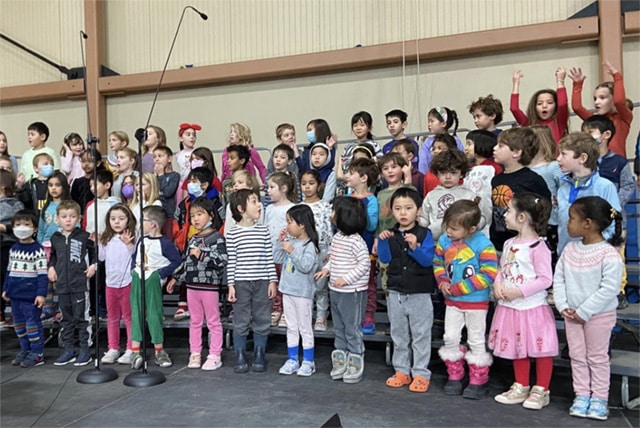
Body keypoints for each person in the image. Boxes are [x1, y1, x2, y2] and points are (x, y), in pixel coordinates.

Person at [553, 197, 624, 420]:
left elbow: (609, 289)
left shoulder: (609, 254)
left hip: (598, 317)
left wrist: (584, 311)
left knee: (597, 357)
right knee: (577, 356)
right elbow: (559, 279)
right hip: (571, 315)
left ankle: (599, 398)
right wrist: (564, 306)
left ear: (588, 223)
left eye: (572, 218)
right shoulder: (570, 250)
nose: (567, 223)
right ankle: (582, 394)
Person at [489, 193, 558, 410]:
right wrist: (498, 284)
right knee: (518, 346)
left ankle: (541, 389)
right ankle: (521, 385)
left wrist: (519, 291)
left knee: (540, 349)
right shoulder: (509, 243)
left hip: (531, 308)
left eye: (509, 210)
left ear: (522, 218)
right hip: (510, 307)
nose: (505, 214)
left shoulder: (539, 247)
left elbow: (546, 279)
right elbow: (502, 268)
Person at [433, 199, 498, 399]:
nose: (449, 232)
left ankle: (479, 378)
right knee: (450, 336)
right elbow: (438, 262)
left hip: (476, 303)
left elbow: (488, 274)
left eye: (453, 229)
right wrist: (442, 280)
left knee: (475, 338)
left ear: (470, 229)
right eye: (447, 227)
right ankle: (455, 372)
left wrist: (460, 287)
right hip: (452, 301)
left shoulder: (483, 245)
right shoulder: (444, 241)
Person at [378, 187, 435, 393]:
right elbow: (384, 259)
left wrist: (415, 248)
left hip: (419, 292)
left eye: (408, 208)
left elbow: (428, 261)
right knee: (399, 334)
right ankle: (402, 370)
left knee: (420, 334)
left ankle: (420, 373)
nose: (403, 213)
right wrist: (383, 242)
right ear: (392, 211)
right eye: (398, 208)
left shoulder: (424, 234)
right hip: (396, 292)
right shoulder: (391, 233)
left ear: (418, 211)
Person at [315, 197, 370, 384]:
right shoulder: (338, 237)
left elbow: (364, 265)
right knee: (338, 326)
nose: (331, 216)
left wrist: (346, 279)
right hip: (335, 290)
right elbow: (335, 258)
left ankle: (355, 357)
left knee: (352, 327)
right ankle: (341, 357)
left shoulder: (357, 242)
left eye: (334, 212)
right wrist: (327, 269)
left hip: (352, 292)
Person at [167, 197, 227, 371]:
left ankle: (215, 354)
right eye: (192, 215)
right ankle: (195, 352)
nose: (195, 219)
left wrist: (202, 255)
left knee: (213, 321)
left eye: (200, 214)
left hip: (209, 287)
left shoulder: (217, 237)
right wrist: (176, 278)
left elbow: (222, 261)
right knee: (195, 321)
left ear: (211, 215)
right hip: (192, 287)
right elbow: (186, 262)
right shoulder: (192, 238)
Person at [226, 189, 278, 373]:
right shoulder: (232, 234)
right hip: (241, 282)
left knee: (262, 317)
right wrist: (231, 285)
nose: (259, 205)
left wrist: (272, 280)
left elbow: (268, 257)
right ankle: (239, 354)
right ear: (241, 208)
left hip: (262, 281)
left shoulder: (263, 231)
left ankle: (259, 353)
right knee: (241, 318)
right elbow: (232, 260)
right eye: (254, 201)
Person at [129, 205, 181, 369]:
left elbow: (177, 261)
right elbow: (135, 256)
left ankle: (159, 350)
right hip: (138, 277)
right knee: (136, 312)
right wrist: (133, 270)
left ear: (153, 223)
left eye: (143, 220)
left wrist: (161, 274)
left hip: (152, 279)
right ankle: (135, 350)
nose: (140, 224)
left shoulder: (164, 244)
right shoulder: (141, 240)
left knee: (154, 314)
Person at [48, 201, 96, 366]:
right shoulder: (55, 238)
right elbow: (53, 256)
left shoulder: (84, 236)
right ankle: (68, 350)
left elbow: (95, 253)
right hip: (61, 286)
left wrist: (93, 265)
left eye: (72, 216)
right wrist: (51, 267)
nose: (68, 220)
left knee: (82, 318)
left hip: (80, 285)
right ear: (58, 219)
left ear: (78, 218)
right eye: (64, 217)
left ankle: (85, 350)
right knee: (65, 319)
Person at [556, 132, 620, 255]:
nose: (558, 158)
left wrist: (598, 248)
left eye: (563, 154)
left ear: (582, 158)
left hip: (595, 256)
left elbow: (613, 223)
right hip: (565, 255)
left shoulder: (605, 186)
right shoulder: (562, 187)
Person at [275, 205, 319, 376]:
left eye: (290, 222)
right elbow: (277, 258)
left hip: (302, 293)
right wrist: (279, 242)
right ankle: (292, 359)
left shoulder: (310, 246)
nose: (287, 226)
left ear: (301, 224)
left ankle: (308, 361)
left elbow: (306, 267)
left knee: (305, 327)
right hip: (287, 290)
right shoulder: (290, 241)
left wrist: (292, 251)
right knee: (291, 326)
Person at [490, 127, 551, 252]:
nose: (494, 148)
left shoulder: (532, 180)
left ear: (516, 152)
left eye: (501, 146)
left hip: (525, 244)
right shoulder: (496, 179)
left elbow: (544, 208)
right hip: (499, 243)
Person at [2, 210, 47, 367]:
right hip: (15, 295)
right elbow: (9, 270)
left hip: (30, 296)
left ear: (34, 229)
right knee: (19, 325)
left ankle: (37, 353)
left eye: (27, 225)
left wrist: (41, 294)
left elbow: (42, 274)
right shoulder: (14, 248)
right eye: (18, 225)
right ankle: (25, 349)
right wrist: (6, 288)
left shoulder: (38, 250)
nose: (22, 228)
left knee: (32, 324)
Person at [420, 149, 489, 242]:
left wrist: (472, 228)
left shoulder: (469, 195)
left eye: (453, 173)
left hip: (465, 243)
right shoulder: (431, 195)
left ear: (461, 173)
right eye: (443, 173)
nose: (448, 177)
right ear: (437, 174)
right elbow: (424, 219)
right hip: (436, 243)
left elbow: (482, 218)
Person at [569, 60, 633, 158]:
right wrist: (577, 84)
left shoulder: (623, 118)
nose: (596, 102)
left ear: (613, 98)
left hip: (617, 165)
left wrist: (617, 77)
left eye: (602, 98)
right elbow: (577, 108)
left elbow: (619, 102)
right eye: (595, 99)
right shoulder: (596, 120)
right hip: (597, 164)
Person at [98, 204, 136, 365]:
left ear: (128, 220)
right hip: (110, 284)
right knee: (112, 317)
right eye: (113, 219)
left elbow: (133, 256)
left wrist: (128, 245)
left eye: (121, 219)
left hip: (127, 283)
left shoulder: (131, 237)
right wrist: (98, 242)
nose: (117, 222)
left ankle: (130, 349)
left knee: (128, 317)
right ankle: (113, 347)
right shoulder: (107, 238)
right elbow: (101, 258)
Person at [346, 158, 379, 334]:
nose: (347, 176)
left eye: (351, 173)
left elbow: (372, 224)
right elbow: (338, 223)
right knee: (349, 285)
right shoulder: (345, 198)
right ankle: (351, 316)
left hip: (365, 249)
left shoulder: (371, 200)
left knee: (368, 284)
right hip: (346, 250)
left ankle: (368, 316)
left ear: (364, 178)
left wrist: (353, 217)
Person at [299, 170, 333, 331]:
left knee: (321, 285)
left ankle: (321, 316)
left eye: (311, 183)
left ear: (319, 186)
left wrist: (330, 250)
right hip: (304, 250)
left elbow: (328, 229)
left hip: (321, 248)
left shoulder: (325, 206)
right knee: (305, 286)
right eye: (304, 184)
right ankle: (306, 316)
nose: (307, 187)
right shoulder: (298, 207)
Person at [264, 172, 297, 328]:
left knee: (286, 282)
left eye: (272, 187)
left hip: (286, 253)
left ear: (283, 188)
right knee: (273, 281)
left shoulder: (292, 208)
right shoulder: (268, 208)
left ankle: (286, 311)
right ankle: (276, 309)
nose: (268, 191)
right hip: (271, 253)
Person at [510, 68, 569, 143]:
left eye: (549, 102)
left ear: (556, 106)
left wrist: (560, 81)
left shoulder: (559, 122)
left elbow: (563, 104)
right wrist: (515, 84)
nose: (544, 106)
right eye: (539, 103)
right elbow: (514, 109)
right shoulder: (529, 124)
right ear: (534, 107)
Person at [336, 111, 383, 195]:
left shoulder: (374, 145)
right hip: (348, 184)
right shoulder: (348, 146)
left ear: (369, 127)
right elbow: (344, 165)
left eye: (362, 125)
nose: (358, 128)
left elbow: (379, 166)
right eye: (355, 125)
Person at [0, 170, 24, 325]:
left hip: (9, 244)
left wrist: (5, 228)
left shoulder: (16, 203)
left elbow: (21, 224)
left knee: (11, 279)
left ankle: (17, 311)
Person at [418, 107, 463, 175]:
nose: (429, 124)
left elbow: (461, 159)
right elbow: (423, 164)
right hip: (433, 177)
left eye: (432, 121)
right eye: (428, 121)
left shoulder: (455, 140)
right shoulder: (428, 142)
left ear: (443, 124)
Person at [83, 169, 120, 238]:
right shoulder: (90, 204)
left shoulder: (115, 205)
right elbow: (85, 225)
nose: (92, 188)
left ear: (107, 185)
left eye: (95, 185)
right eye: (90, 186)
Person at [71, 148, 104, 217]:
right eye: (83, 161)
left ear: (98, 163)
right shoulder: (77, 182)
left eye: (90, 161)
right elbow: (73, 201)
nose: (86, 164)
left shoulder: (101, 182)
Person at [175, 123, 201, 203]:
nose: (192, 137)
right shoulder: (178, 154)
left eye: (194, 135)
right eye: (188, 135)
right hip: (183, 183)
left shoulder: (197, 152)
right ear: (181, 138)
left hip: (195, 182)